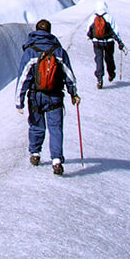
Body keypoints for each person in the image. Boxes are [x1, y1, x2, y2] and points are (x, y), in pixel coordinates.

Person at [17, 19, 81, 175]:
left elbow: (23, 78)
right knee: (56, 128)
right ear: (50, 32)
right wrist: (74, 94)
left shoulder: (30, 51)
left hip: (35, 96)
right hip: (55, 96)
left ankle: (35, 153)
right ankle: (57, 160)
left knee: (36, 125)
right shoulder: (58, 51)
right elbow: (69, 76)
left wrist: (19, 102)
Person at [86, 1, 126, 89]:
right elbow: (115, 31)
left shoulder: (93, 17)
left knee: (99, 59)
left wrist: (92, 37)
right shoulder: (109, 17)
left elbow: (88, 32)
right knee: (109, 58)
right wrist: (120, 42)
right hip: (109, 42)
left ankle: (99, 79)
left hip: (97, 42)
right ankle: (111, 73)